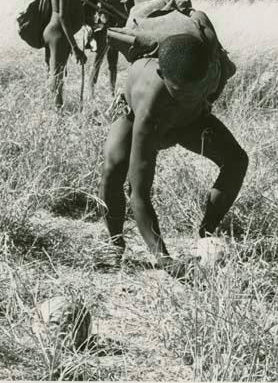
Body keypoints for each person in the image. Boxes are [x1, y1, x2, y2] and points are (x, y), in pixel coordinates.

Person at [100, 16, 247, 278]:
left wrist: (193, 105)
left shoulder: (212, 71)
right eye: (179, 93)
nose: (188, 97)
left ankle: (207, 235)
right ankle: (115, 244)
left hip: (189, 122)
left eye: (195, 91)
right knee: (114, 169)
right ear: (161, 75)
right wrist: (164, 259)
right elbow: (140, 194)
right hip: (139, 118)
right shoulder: (149, 101)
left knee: (237, 160)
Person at [82, 0, 132, 96]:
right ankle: (91, 93)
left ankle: (111, 92)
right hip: (105, 21)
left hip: (117, 21)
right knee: (99, 57)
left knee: (113, 60)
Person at [44, 0, 86, 108]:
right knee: (57, 75)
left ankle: (54, 107)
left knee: (53, 72)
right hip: (58, 34)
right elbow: (63, 17)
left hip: (50, 32)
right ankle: (57, 113)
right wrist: (75, 47)